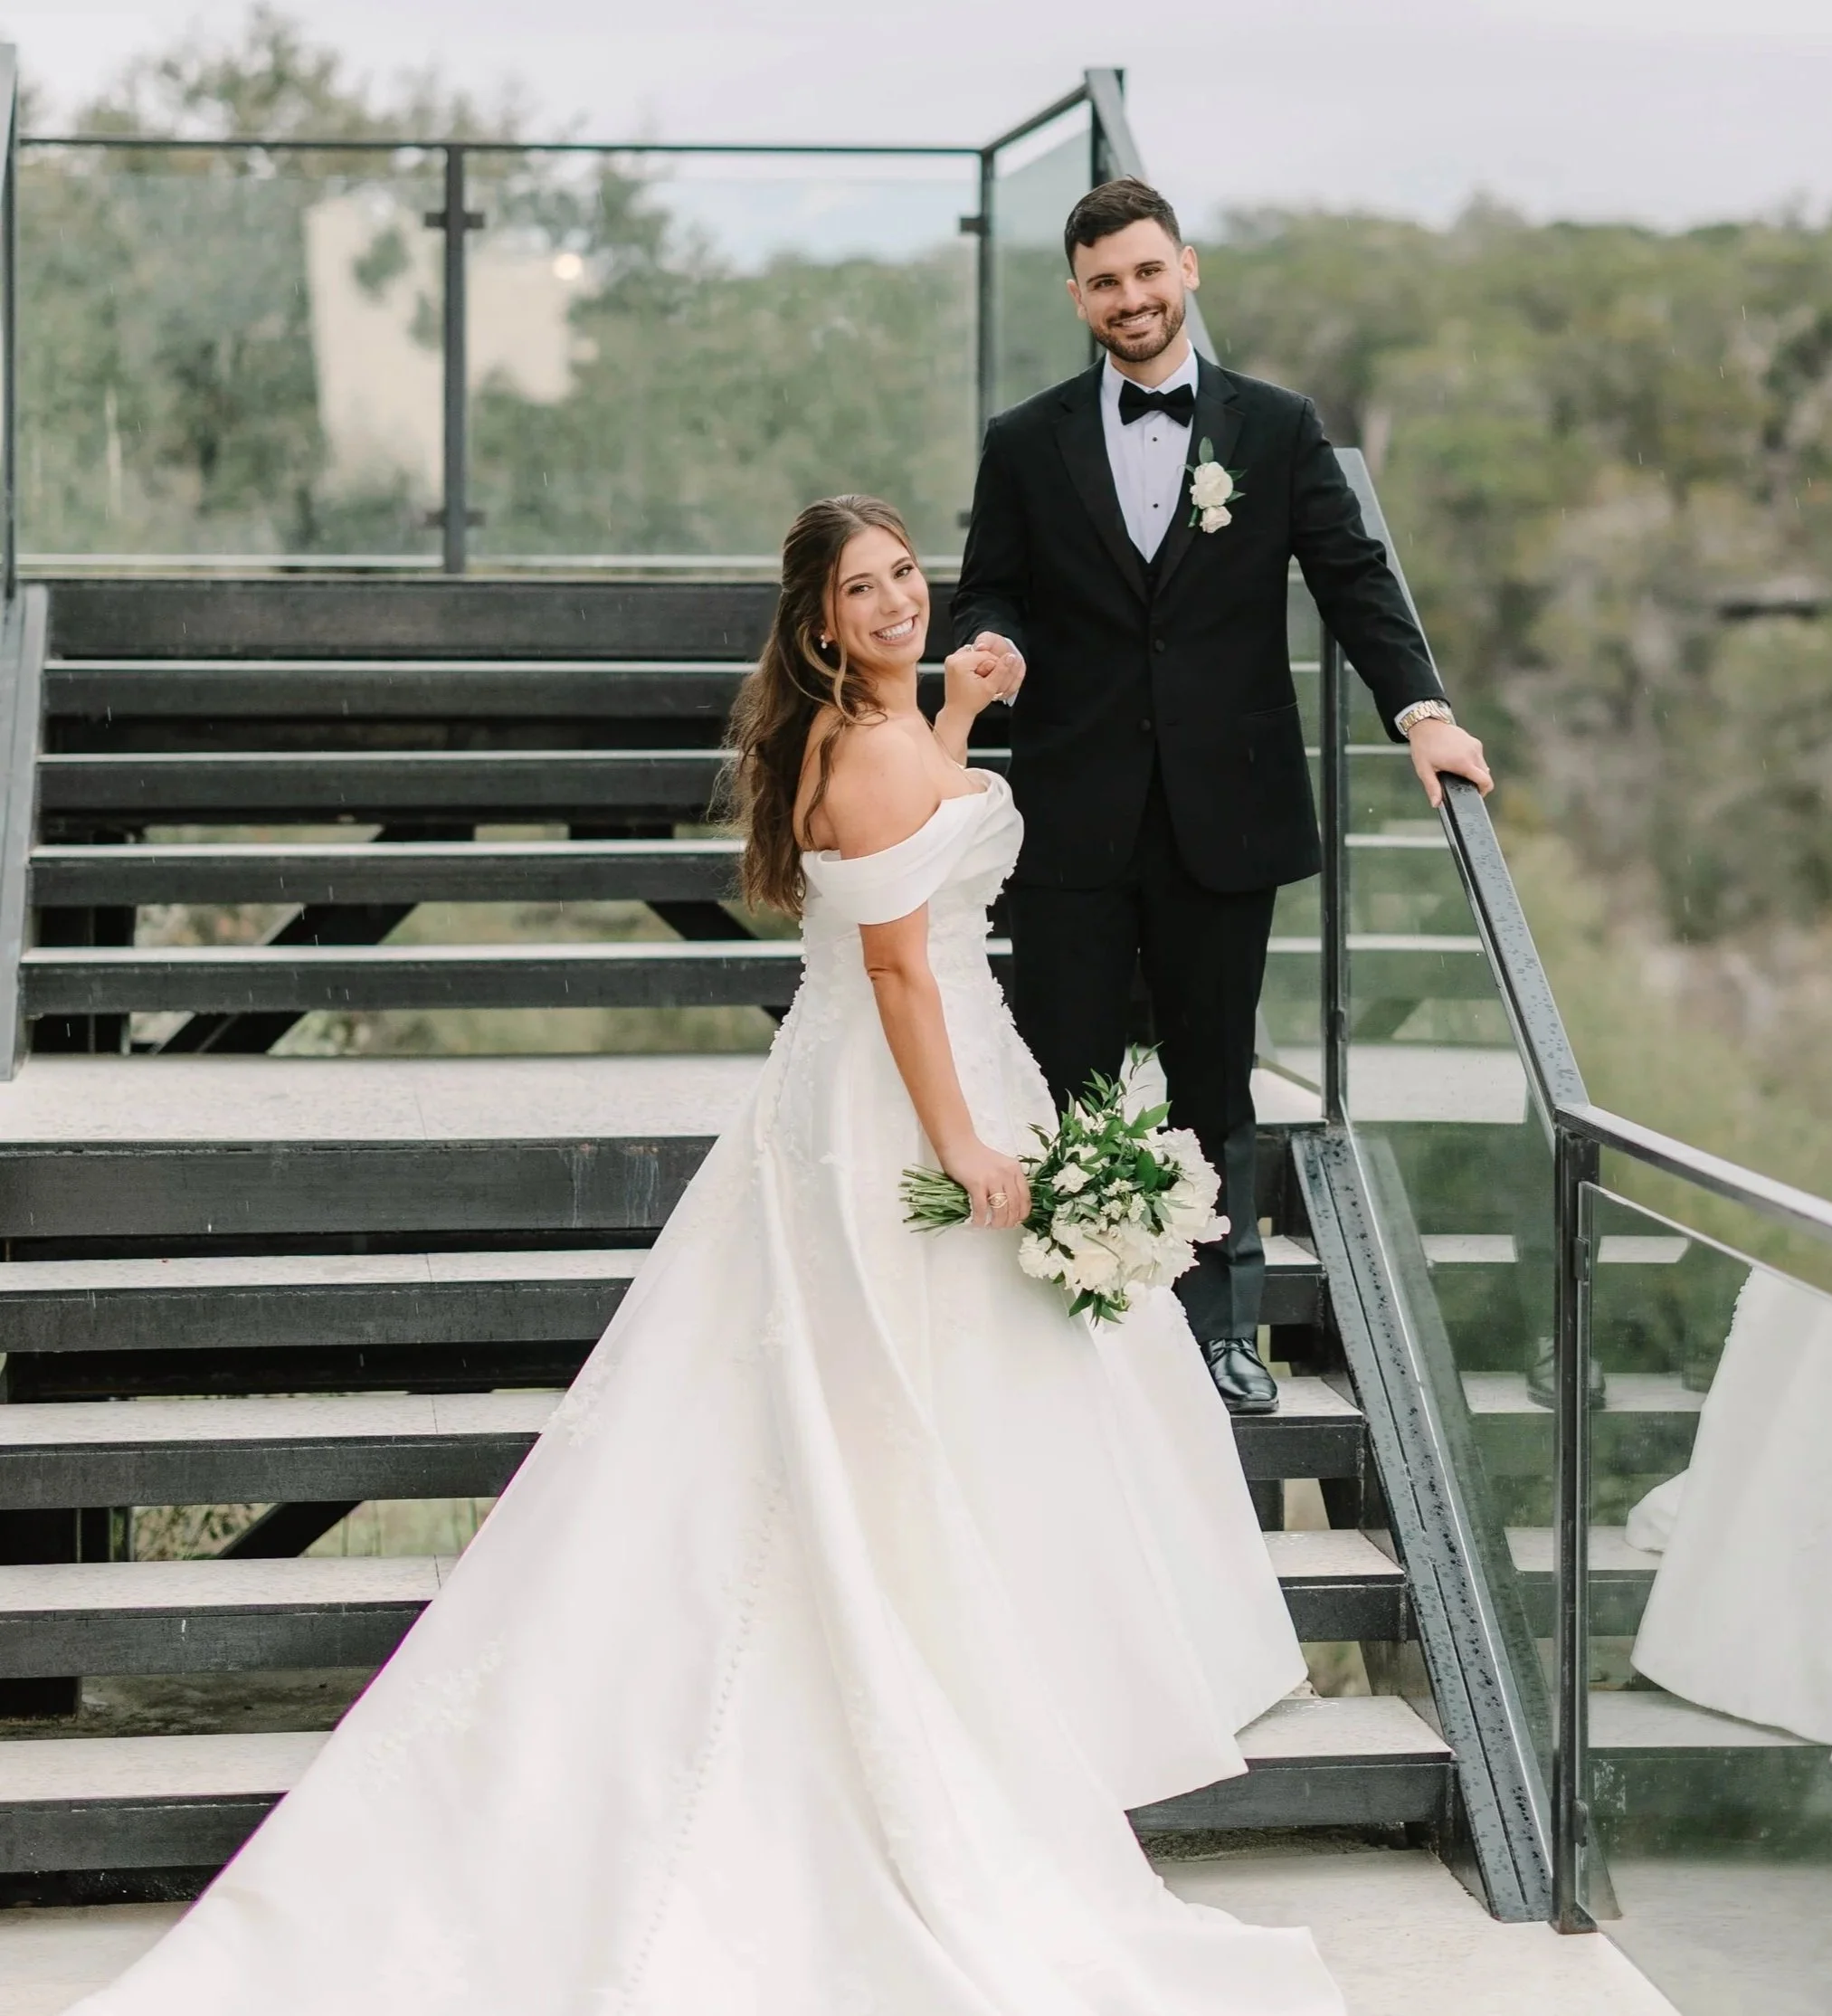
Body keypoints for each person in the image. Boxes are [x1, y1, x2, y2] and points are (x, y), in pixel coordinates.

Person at [70, 496, 1343, 2016]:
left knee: (920, 1416)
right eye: (862, 593)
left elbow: (912, 854)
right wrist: (965, 1146)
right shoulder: (858, 754)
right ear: (816, 625)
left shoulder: (875, 730)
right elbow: (895, 966)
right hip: (900, 1098)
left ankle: (969, 1713)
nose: (894, 603)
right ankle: (906, 1726)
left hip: (894, 1074)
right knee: (885, 1414)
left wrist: (951, 705)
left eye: (902, 577)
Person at [954, 176, 1492, 1416]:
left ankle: (1215, 1329)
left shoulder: (1276, 428)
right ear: (1077, 295)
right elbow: (992, 590)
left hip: (1224, 818)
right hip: (1076, 814)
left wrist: (1425, 714)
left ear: (1186, 269)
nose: (1131, 300)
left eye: (1149, 274)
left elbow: (1354, 580)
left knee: (1213, 1081)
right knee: (1062, 1071)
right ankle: (1059, 1321)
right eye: (1105, 282)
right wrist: (997, 649)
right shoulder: (1024, 441)